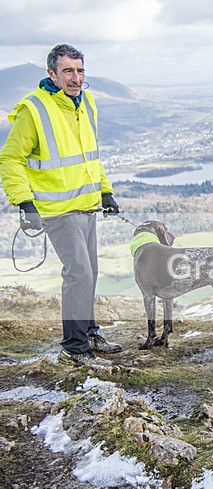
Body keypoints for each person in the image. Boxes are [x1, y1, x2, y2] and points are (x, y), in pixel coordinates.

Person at [0, 43, 122, 366]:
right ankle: (74, 346)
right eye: (68, 70)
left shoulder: (87, 104)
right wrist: (24, 202)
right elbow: (10, 158)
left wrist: (105, 191)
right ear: (51, 74)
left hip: (87, 206)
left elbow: (90, 157)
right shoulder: (34, 109)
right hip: (57, 210)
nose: (76, 77)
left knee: (91, 272)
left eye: (80, 70)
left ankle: (90, 332)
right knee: (79, 272)